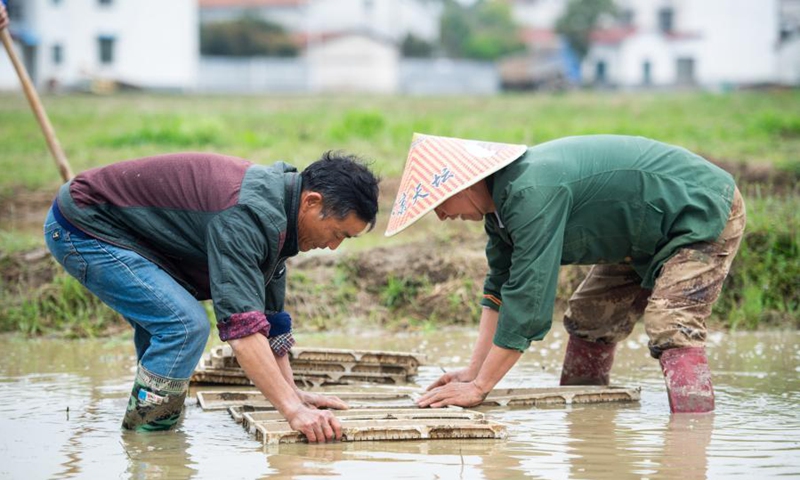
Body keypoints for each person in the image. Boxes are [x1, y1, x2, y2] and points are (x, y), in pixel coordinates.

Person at [385, 134, 745, 413]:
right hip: (639, 231)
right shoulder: (499, 211)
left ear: (463, 185)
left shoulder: (529, 193)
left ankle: (693, 430)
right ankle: (588, 420)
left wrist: (479, 389)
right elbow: (501, 288)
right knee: (590, 317)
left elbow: (528, 301)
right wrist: (473, 371)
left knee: (671, 322)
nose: (442, 217)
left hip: (699, 209)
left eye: (439, 204)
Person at [45, 151, 380, 438]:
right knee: (183, 325)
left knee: (170, 325)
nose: (333, 247)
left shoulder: (283, 218)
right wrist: (291, 410)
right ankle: (150, 443)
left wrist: (294, 394)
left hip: (135, 235)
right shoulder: (247, 217)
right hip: (86, 226)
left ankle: (151, 432)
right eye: (336, 233)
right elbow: (244, 331)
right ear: (311, 202)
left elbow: (271, 323)